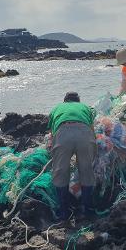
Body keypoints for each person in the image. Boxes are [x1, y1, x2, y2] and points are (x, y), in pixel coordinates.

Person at [48, 92, 97, 221]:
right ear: (78, 101)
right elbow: (92, 129)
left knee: (60, 172)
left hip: (62, 133)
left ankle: (64, 212)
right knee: (86, 171)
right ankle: (87, 210)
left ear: (65, 101)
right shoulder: (85, 107)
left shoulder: (56, 108)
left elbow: (52, 134)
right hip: (84, 133)